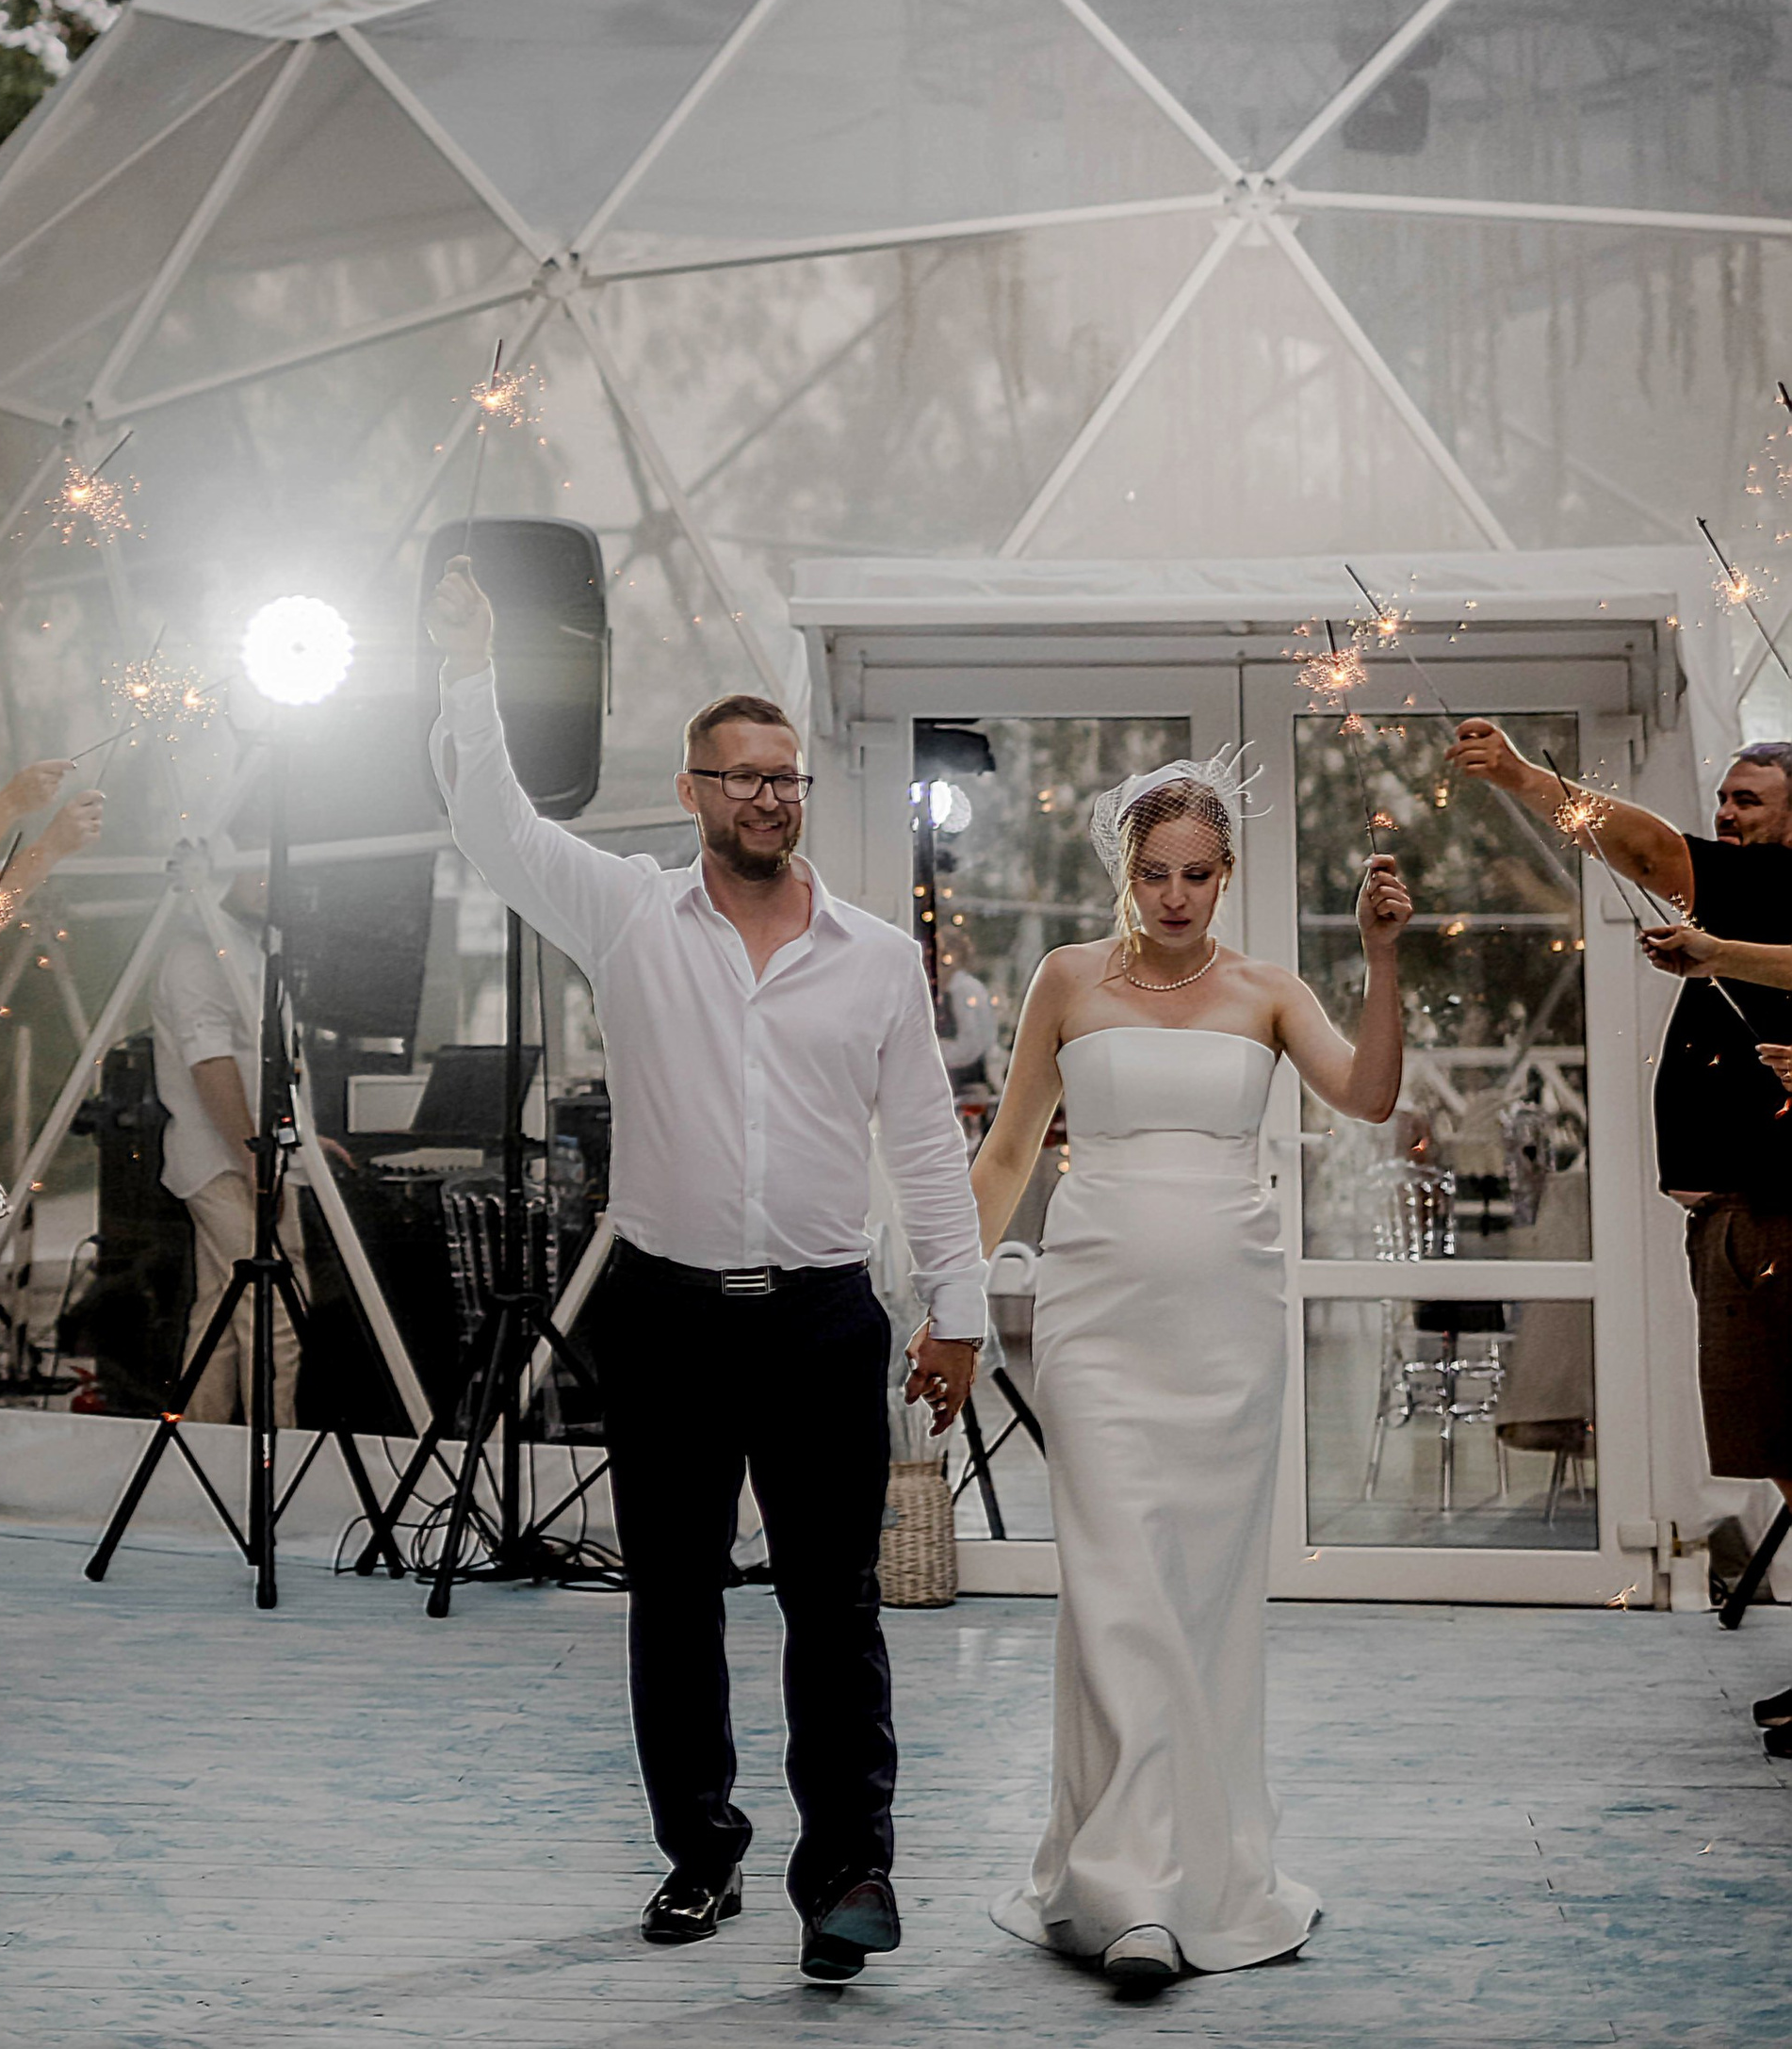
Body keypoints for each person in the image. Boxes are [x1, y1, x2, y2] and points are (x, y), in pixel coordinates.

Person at [425, 558, 985, 1990]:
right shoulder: (624, 913)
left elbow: (927, 1144)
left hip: (820, 1316)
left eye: (785, 777)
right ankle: (702, 1844)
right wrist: (467, 667)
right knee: (673, 1596)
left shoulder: (871, 958)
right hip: (665, 1309)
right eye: (738, 777)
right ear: (690, 792)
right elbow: (490, 820)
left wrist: (960, 1314)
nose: (766, 797)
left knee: (833, 1600)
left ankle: (850, 1865)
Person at [940, 756, 1410, 1995]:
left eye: (1197, 872)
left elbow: (1368, 1092)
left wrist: (1382, 957)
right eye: (1154, 872)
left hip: (1226, 1326)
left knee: (1196, 1597)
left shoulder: (1266, 988)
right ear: (1125, 869)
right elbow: (1002, 1158)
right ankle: (1128, 1887)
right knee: (1112, 1583)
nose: (1176, 892)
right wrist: (948, 1299)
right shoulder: (1067, 979)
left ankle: (1187, 1866)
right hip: (1092, 1314)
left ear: (1227, 873)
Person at [1450, 725, 1792, 1752]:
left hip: (1779, 1216)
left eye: (1748, 800)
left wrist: (1516, 773)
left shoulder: (1754, 888)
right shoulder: (1743, 892)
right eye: (1724, 800)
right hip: (1728, 1217)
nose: (1725, 816)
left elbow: (1637, 844)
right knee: (1776, 1451)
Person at [149, 844, 309, 1428]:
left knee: (222, 1308)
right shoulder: (198, 957)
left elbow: (255, 1061)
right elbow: (210, 1062)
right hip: (224, 1161)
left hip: (240, 1156)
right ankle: (278, 1456)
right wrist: (252, 1154)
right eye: (252, 865)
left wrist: (303, 1142)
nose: (268, 880)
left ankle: (200, 1453)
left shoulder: (242, 948)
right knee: (274, 1310)